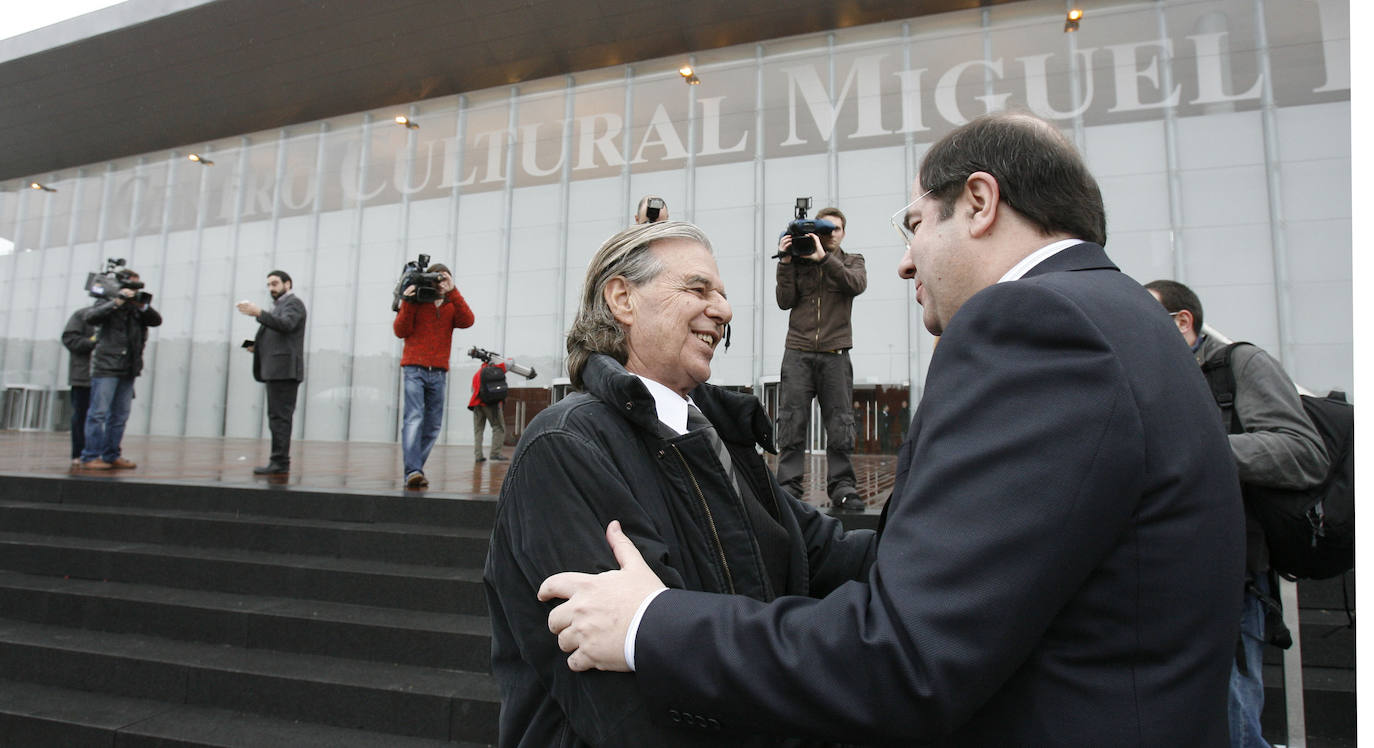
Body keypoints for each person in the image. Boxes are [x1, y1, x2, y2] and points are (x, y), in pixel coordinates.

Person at [538, 112, 1246, 746]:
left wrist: (649, 624)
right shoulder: (1122, 319)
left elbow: (899, 655)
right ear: (620, 299)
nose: (907, 258)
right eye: (699, 288)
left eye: (913, 224)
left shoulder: (1034, 326)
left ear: (978, 202)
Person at [484, 221, 875, 746]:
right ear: (622, 298)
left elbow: (828, 554)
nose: (724, 309)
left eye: (723, 294)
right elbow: (626, 708)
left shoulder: (717, 437)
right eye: (698, 288)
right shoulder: (566, 446)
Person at [1146, 279, 1328, 748]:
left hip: (1232, 579)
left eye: (1148, 320)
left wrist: (1196, 450)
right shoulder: (1154, 379)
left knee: (1232, 719)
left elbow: (1303, 452)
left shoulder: (1238, 365)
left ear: (1182, 321)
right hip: (1163, 579)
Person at [775, 206, 867, 511]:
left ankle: (842, 486)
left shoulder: (852, 261)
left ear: (842, 233)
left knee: (840, 423)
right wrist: (786, 262)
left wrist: (823, 259)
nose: (829, 235)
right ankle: (788, 486)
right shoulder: (799, 261)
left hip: (835, 354)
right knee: (791, 421)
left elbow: (856, 285)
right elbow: (784, 301)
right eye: (824, 229)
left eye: (835, 229)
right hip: (798, 352)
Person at [392, 263, 474, 487]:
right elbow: (400, 330)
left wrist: (452, 291)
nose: (438, 283)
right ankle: (413, 471)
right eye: (435, 279)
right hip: (414, 369)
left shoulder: (450, 305)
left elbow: (468, 320)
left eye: (442, 278)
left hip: (438, 371)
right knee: (414, 419)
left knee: (433, 425)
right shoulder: (417, 301)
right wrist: (407, 302)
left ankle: (414, 469)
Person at [78, 271, 161, 470]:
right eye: (130, 286)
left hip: (129, 367)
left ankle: (111, 454)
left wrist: (142, 305)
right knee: (98, 414)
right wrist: (117, 302)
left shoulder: (137, 308)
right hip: (106, 367)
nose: (133, 291)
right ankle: (90, 456)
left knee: (120, 416)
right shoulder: (108, 302)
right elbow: (90, 317)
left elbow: (156, 320)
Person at [237, 270, 307, 475]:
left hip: (284, 372)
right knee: (276, 418)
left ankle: (280, 462)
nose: (271, 288)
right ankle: (278, 461)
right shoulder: (278, 307)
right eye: (268, 284)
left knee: (280, 418)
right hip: (276, 371)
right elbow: (279, 334)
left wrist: (258, 312)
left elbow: (286, 325)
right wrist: (257, 346)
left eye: (275, 283)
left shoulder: (293, 304)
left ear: (288, 284)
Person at [62, 302, 99, 465]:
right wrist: (94, 341)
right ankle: (80, 453)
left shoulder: (124, 316)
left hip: (112, 375)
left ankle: (103, 453)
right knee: (81, 415)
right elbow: (70, 340)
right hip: (84, 376)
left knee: (109, 417)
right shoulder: (82, 314)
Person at [468, 358, 507, 463]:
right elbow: (509, 363)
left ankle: (478, 455)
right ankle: (495, 453)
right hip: (491, 405)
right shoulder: (495, 371)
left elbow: (473, 389)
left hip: (476, 404)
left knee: (478, 430)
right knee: (498, 427)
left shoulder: (477, 373)